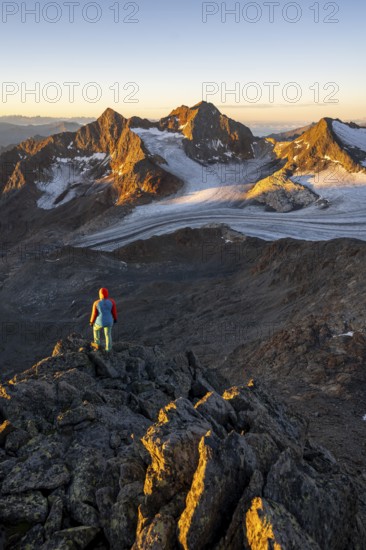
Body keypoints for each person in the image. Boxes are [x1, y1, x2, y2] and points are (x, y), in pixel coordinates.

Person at [90, 288, 117, 352]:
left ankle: (97, 345)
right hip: (109, 321)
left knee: (95, 329)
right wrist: (115, 319)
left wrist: (91, 322)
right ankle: (108, 349)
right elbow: (114, 312)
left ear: (99, 294)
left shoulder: (96, 303)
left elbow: (94, 314)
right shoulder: (112, 301)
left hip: (99, 322)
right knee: (108, 334)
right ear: (107, 293)